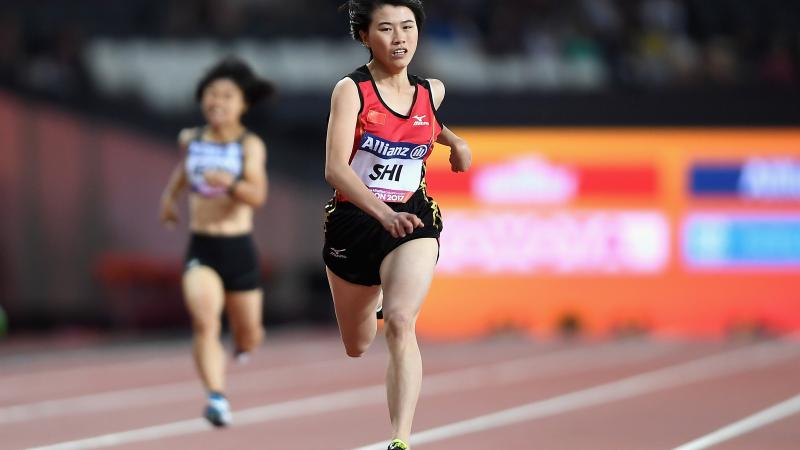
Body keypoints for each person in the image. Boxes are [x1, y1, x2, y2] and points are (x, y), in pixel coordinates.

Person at [323, 1, 472, 449]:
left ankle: (399, 440)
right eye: (386, 29)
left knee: (403, 321)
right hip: (355, 223)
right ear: (365, 37)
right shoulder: (351, 91)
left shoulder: (433, 91)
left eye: (408, 27)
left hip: (412, 218)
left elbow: (423, 120)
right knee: (358, 344)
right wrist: (381, 214)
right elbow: (335, 168)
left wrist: (454, 140)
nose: (400, 38)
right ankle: (375, 295)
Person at [159, 57, 273, 427]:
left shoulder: (249, 145)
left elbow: (257, 195)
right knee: (205, 321)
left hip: (238, 249)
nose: (217, 102)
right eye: (211, 95)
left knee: (250, 334)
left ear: (243, 104)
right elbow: (182, 173)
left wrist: (229, 183)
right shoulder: (190, 140)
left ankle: (244, 344)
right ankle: (216, 397)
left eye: (226, 95)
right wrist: (168, 200)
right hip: (202, 248)